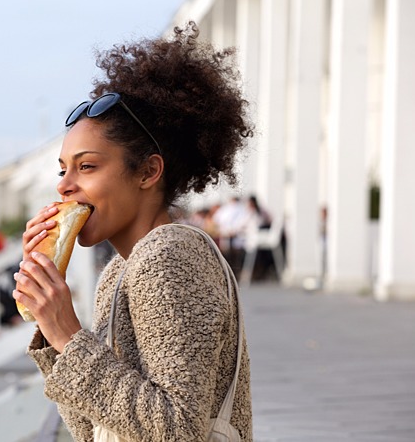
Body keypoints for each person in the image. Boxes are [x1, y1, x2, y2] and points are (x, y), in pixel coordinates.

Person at [13, 22, 253, 441]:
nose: (64, 185)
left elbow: (178, 429)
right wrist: (52, 330)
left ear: (147, 171)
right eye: (63, 169)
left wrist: (68, 334)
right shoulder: (117, 273)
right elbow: (96, 429)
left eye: (86, 166)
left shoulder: (171, 255)